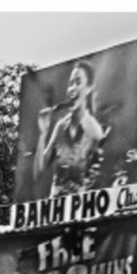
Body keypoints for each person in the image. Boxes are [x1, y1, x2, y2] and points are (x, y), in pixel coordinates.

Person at [38, 61, 107, 197]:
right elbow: (43, 166)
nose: (72, 88)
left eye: (78, 82)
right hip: (55, 209)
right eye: (70, 84)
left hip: (79, 209)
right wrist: (43, 132)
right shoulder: (61, 126)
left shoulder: (96, 132)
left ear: (88, 88)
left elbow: (98, 179)